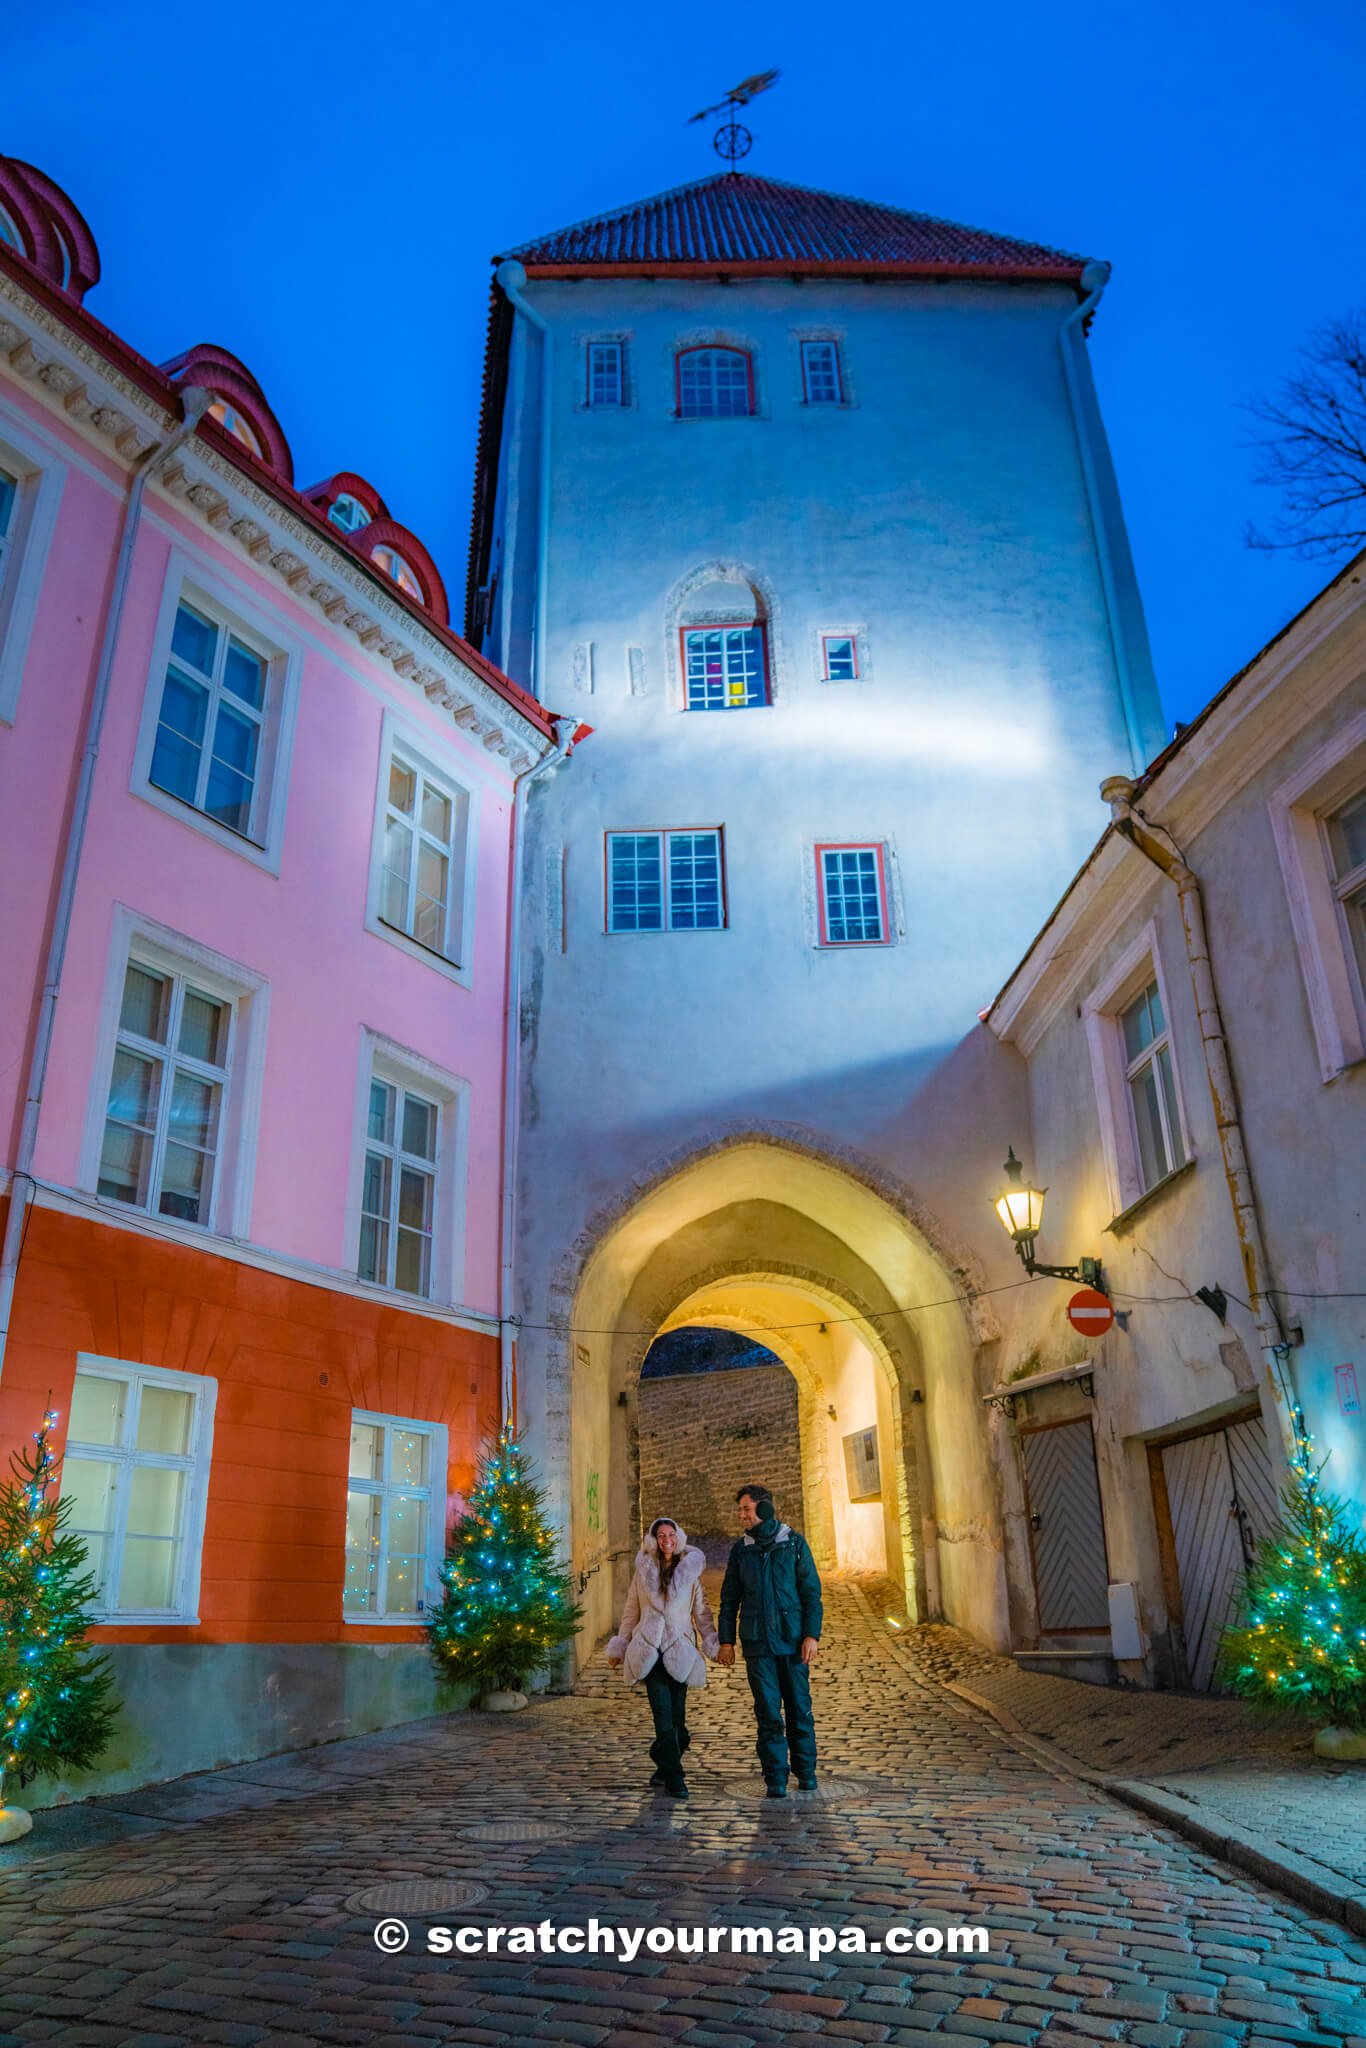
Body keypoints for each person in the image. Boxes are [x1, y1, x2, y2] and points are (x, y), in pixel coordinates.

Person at [717, 1484, 822, 1797]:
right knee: (768, 1713)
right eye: (740, 1510)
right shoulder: (741, 1550)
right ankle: (775, 1778)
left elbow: (811, 1594)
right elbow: (729, 1599)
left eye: (746, 1509)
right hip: (758, 1644)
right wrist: (727, 1641)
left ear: (764, 1509)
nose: (742, 1516)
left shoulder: (794, 1544)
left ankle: (806, 1773)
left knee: (799, 1709)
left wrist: (811, 1635)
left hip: (792, 1643)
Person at [606, 1515, 719, 1800]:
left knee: (678, 1723)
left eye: (671, 1535)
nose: (666, 1540)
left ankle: (662, 1757)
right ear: (654, 1540)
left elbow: (701, 1612)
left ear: (678, 1537)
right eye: (661, 1536)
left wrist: (712, 1641)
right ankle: (675, 1777)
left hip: (680, 1647)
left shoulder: (690, 1571)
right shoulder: (643, 1570)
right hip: (649, 1650)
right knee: (662, 1715)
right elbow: (631, 1610)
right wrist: (620, 1644)